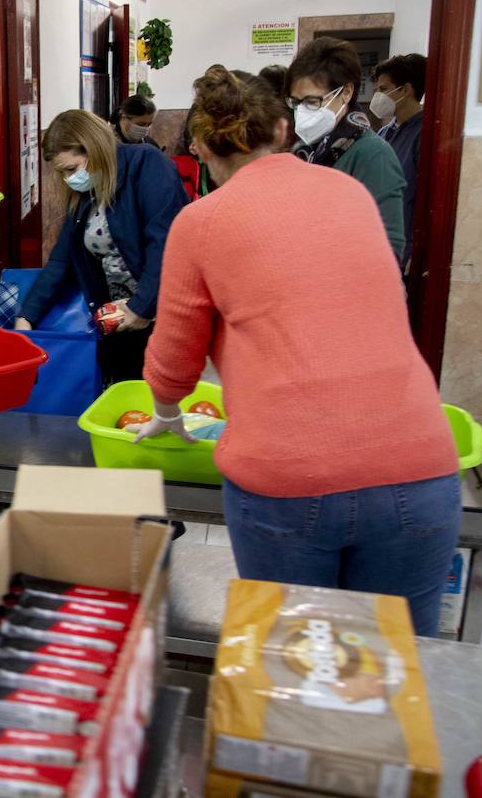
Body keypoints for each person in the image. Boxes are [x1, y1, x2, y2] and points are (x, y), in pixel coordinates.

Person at [137, 65, 459, 636]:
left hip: (289, 479)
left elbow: (174, 359)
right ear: (283, 130)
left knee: (294, 663)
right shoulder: (349, 193)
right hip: (419, 467)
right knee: (397, 664)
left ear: (201, 148)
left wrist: (165, 412)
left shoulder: (202, 221)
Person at [14, 110, 186, 385]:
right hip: (119, 321)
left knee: (162, 396)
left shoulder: (146, 164)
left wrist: (142, 307)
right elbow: (61, 261)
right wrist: (27, 317)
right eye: (62, 172)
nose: (69, 179)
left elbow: (166, 244)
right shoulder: (85, 194)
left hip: (160, 317)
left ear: (94, 148)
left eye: (72, 169)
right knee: (125, 397)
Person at [287, 37, 407, 265]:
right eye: (296, 102)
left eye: (312, 102)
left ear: (346, 91)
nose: (302, 112)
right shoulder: (304, 151)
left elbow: (388, 249)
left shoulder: (373, 155)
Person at [372, 53, 427, 269]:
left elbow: (424, 198)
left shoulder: (425, 134)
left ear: (405, 90)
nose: (377, 96)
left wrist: (418, 250)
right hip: (380, 240)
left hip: (406, 248)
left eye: (383, 89)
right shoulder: (385, 133)